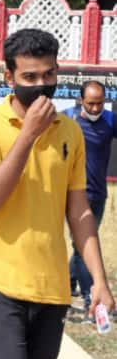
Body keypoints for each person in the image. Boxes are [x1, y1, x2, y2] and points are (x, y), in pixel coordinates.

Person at [0, 29, 115, 359]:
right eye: (29, 77)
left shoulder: (70, 132)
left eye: (48, 75)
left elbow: (78, 211)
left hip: (52, 286)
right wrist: (28, 134)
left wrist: (99, 280)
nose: (40, 84)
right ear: (9, 78)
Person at [62, 80, 117, 314]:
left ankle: (68, 282)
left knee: (82, 245)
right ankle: (89, 299)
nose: (95, 109)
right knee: (83, 244)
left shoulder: (111, 120)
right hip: (73, 195)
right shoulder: (66, 120)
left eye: (100, 103)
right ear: (80, 100)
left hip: (98, 194)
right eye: (91, 103)